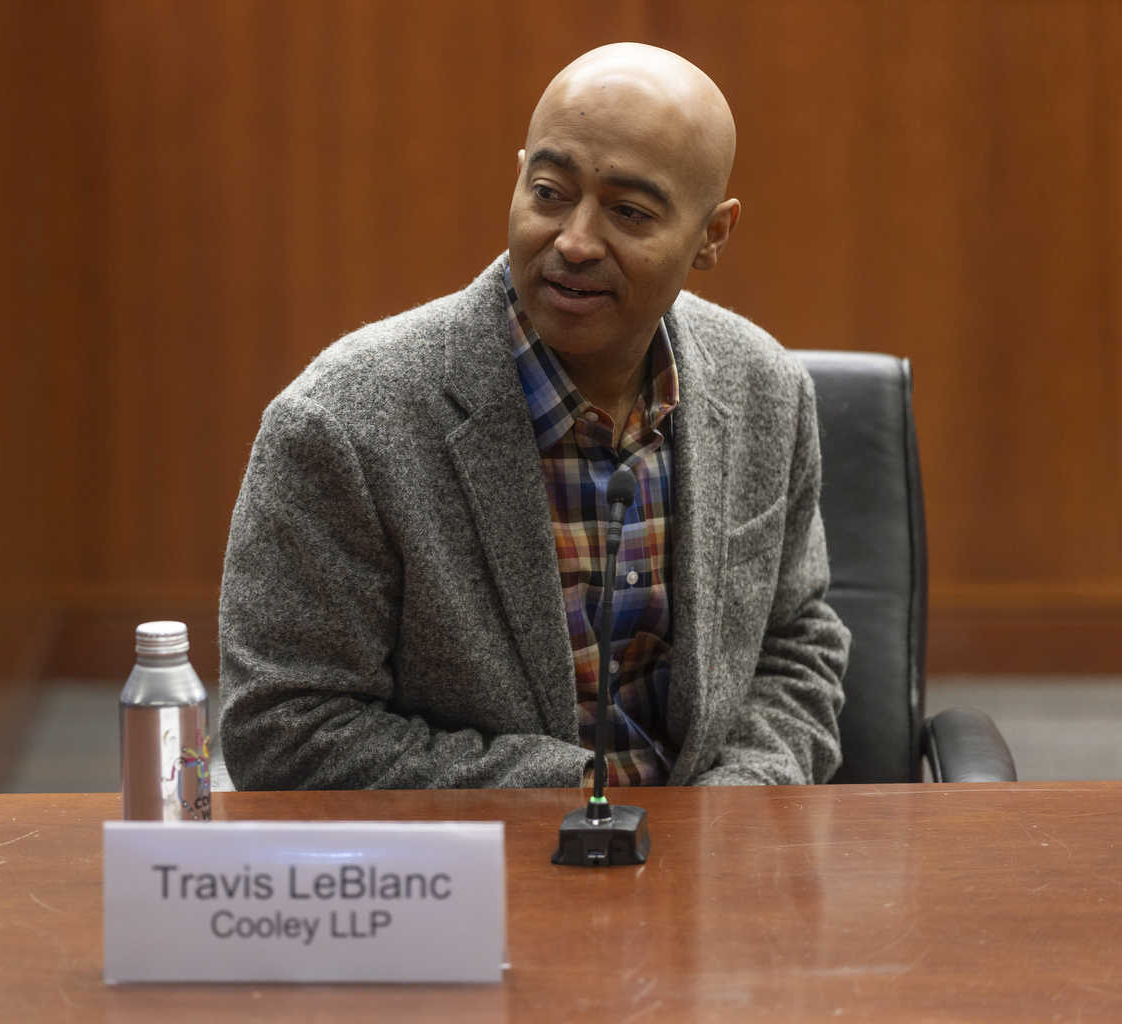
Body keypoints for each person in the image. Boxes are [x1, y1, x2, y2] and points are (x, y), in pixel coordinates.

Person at [217, 43, 849, 789]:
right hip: (475, 885)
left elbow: (796, 645)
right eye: (549, 192)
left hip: (715, 869)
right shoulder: (341, 425)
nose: (574, 242)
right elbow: (286, 729)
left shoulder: (765, 390)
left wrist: (738, 798)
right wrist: (578, 800)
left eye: (628, 211)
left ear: (712, 234)